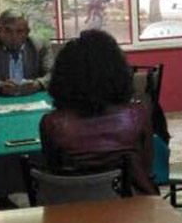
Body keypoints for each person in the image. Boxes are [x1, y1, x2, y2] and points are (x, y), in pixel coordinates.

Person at [41, 29, 158, 195]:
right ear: (119, 72)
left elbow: (53, 172)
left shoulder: (52, 123)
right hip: (130, 205)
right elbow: (147, 169)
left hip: (72, 205)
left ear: (63, 77)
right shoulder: (137, 116)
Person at [0, 9, 54, 96]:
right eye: (8, 31)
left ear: (27, 32)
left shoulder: (40, 46)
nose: (14, 37)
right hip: (2, 100)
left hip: (33, 97)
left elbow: (53, 74)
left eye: (19, 31)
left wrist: (38, 84)